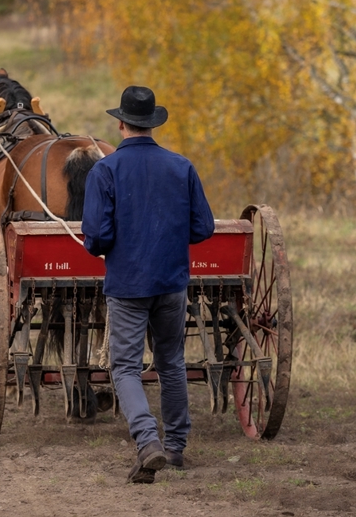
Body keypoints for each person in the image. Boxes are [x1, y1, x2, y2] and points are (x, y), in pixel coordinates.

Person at [82, 85, 215, 484]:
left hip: (127, 285)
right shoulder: (181, 166)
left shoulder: (105, 170)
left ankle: (147, 441)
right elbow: (203, 227)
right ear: (153, 123)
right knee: (171, 362)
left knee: (124, 367)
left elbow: (96, 239)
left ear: (120, 123)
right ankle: (174, 447)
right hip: (172, 282)